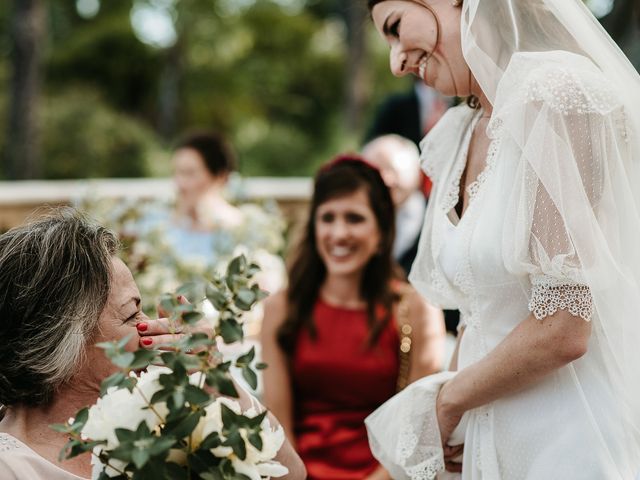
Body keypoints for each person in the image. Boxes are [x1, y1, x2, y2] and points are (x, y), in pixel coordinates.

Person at [365, 0, 640, 478]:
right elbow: (478, 313)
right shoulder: (460, 130)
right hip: (484, 433)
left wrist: (448, 402)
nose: (396, 62)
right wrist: (446, 425)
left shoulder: (557, 97)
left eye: (395, 28)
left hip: (566, 438)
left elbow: (563, 326)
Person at [0, 208, 305, 479]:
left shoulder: (157, 415)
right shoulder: (12, 467)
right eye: (132, 314)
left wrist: (215, 378)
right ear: (64, 341)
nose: (156, 333)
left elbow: (291, 475)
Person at [260, 155, 445, 479]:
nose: (339, 232)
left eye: (355, 218)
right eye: (327, 218)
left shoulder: (417, 309)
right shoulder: (282, 308)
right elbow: (279, 429)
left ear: (381, 232)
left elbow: (418, 428)